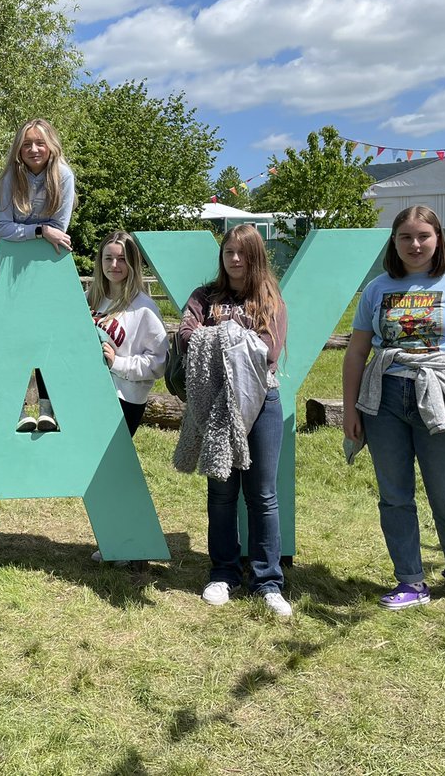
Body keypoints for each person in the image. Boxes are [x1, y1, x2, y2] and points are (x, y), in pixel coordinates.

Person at [343, 206, 445, 610]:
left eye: (423, 236)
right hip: (386, 400)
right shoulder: (377, 288)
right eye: (405, 237)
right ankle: (411, 581)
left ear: (437, 239)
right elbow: (357, 351)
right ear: (394, 242)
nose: (415, 245)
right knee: (394, 496)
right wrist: (350, 409)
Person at [179, 224, 292, 617]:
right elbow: (185, 335)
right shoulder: (203, 296)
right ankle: (223, 572)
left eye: (243, 253)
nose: (236, 259)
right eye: (229, 252)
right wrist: (231, 337)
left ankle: (268, 580)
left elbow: (268, 350)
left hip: (263, 404)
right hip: (217, 408)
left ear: (256, 256)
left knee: (262, 496)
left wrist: (217, 337)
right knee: (222, 495)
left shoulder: (269, 298)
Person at [88, 230, 168, 565]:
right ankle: (117, 539)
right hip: (92, 396)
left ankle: (129, 540)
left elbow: (159, 362)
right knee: (100, 474)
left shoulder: (144, 308)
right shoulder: (93, 299)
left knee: (114, 473)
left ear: (133, 263)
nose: (114, 264)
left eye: (122, 258)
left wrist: (117, 362)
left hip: (125, 399)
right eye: (108, 258)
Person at [0, 118, 76, 432]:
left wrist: (21, 233)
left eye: (39, 142)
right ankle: (13, 409)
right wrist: (39, 229)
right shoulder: (10, 179)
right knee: (13, 341)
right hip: (11, 272)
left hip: (49, 267)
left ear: (51, 145)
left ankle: (48, 408)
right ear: (19, 149)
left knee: (48, 341)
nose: (34, 149)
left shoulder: (63, 176)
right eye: (27, 144)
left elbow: (61, 229)